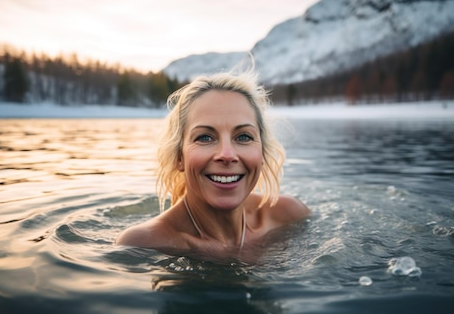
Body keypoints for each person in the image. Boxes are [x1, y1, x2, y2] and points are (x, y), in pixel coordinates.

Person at [115, 70, 310, 257]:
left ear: (262, 152)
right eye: (205, 138)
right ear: (179, 157)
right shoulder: (145, 243)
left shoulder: (289, 215)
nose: (227, 154)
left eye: (243, 136)